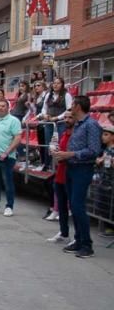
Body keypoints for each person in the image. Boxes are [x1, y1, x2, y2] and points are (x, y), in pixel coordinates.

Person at [52, 96, 105, 258]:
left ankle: (87, 244)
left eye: (72, 105)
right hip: (71, 167)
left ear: (78, 106)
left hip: (82, 169)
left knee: (77, 205)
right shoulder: (78, 124)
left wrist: (70, 154)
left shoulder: (91, 125)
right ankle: (78, 239)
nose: (70, 108)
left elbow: (94, 150)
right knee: (73, 206)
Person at [45, 112, 76, 247]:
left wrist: (63, 155)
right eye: (66, 117)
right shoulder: (64, 134)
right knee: (62, 207)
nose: (67, 120)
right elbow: (58, 150)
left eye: (70, 117)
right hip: (60, 174)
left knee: (75, 208)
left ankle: (78, 236)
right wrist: (54, 152)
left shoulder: (76, 136)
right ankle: (63, 233)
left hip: (71, 174)